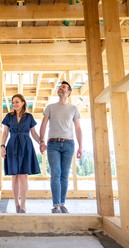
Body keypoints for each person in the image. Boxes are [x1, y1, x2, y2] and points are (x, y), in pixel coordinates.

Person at [39, 81, 83, 213]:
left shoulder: (73, 109)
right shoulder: (50, 107)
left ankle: (62, 203)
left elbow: (78, 128)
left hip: (69, 144)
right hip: (53, 144)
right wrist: (41, 141)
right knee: (56, 173)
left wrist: (80, 146)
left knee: (64, 175)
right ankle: (56, 205)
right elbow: (43, 125)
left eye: (63, 87)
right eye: (60, 87)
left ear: (69, 92)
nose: (60, 88)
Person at [1, 94, 41, 213]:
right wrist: (2, 146)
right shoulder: (9, 116)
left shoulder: (29, 117)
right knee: (14, 176)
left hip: (26, 146)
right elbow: (5, 133)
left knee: (23, 176)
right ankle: (16, 203)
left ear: (23, 102)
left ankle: (23, 205)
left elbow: (33, 133)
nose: (14, 104)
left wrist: (42, 143)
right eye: (13, 102)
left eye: (17, 102)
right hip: (12, 145)